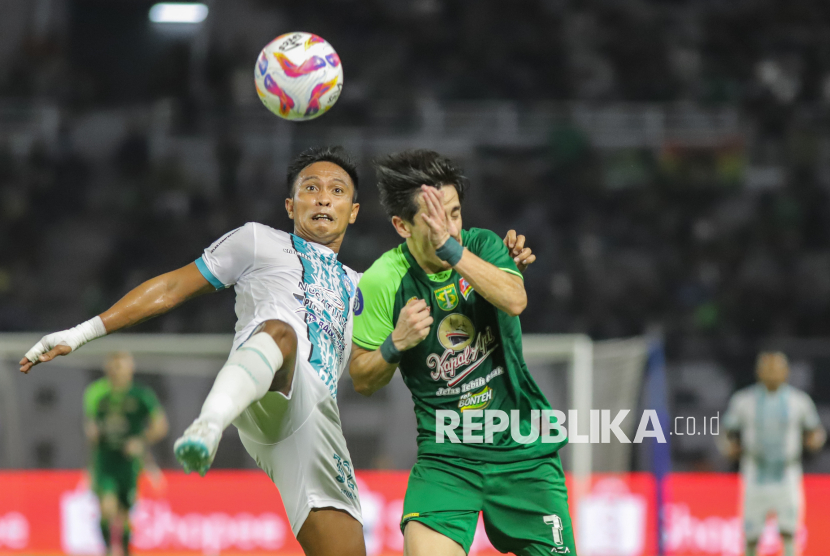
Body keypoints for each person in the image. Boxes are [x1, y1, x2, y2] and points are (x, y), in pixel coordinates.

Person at [21, 146, 367, 556]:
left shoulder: (365, 287)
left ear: (354, 210)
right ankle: (207, 425)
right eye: (311, 188)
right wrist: (81, 333)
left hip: (316, 418)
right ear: (290, 206)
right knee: (281, 332)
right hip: (261, 382)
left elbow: (371, 369)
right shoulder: (257, 240)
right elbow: (171, 288)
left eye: (336, 190)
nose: (324, 197)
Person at [349, 149, 574, 556]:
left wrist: (454, 252)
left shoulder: (483, 246)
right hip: (447, 457)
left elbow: (515, 298)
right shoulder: (383, 280)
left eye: (454, 213)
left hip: (523, 451)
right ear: (401, 225)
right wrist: (394, 344)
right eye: (433, 220)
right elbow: (362, 378)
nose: (448, 228)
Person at [723, 351, 826, 556]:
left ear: (786, 372)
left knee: (789, 533)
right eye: (767, 369)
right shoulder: (744, 401)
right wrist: (728, 448)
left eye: (776, 368)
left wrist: (815, 441)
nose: (772, 373)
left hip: (787, 474)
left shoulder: (799, 401)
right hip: (754, 473)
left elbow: (815, 430)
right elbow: (727, 433)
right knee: (751, 537)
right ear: (758, 372)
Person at [83, 351, 168, 556]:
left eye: (120, 367)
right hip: (106, 460)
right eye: (113, 367)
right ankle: (107, 550)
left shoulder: (141, 396)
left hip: (129, 463)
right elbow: (90, 426)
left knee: (125, 512)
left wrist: (140, 441)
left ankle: (126, 550)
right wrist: (93, 433)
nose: (116, 371)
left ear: (130, 369)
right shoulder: (96, 393)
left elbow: (160, 426)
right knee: (107, 508)